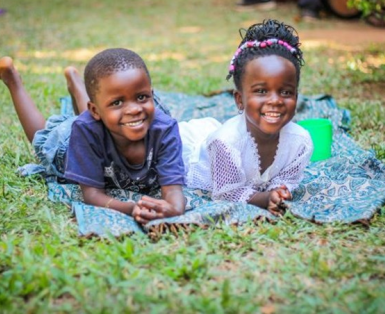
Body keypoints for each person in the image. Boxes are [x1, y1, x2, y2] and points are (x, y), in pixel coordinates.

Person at [0, 48, 186, 224]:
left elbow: (173, 189)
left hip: (101, 126)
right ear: (94, 110)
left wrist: (175, 207)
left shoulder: (165, 129)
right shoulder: (85, 130)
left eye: (141, 97)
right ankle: (13, 81)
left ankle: (76, 84)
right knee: (42, 140)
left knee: (106, 119)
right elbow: (92, 195)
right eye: (118, 102)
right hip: (68, 143)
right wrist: (131, 208)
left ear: (152, 95)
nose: (134, 109)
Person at [180, 19, 313, 216]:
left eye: (286, 92)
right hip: (183, 153)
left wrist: (279, 191)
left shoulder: (301, 142)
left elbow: (288, 180)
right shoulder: (225, 142)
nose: (275, 101)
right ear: (239, 99)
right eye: (261, 91)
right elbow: (227, 194)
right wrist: (264, 199)